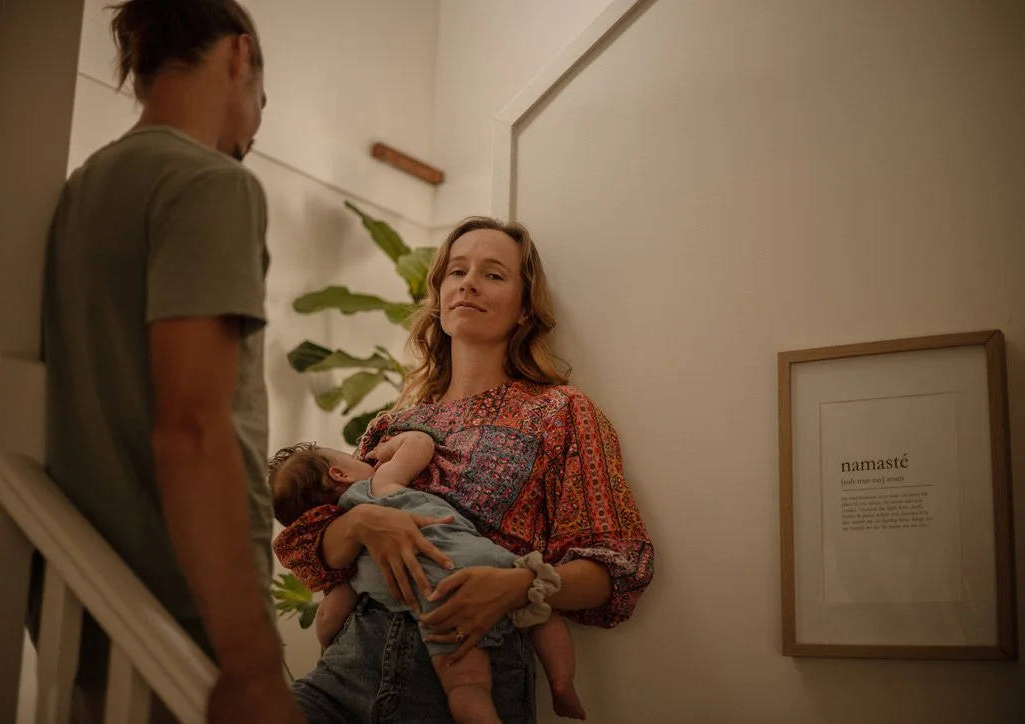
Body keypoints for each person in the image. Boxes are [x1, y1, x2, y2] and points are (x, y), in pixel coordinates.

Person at [274, 217, 655, 723]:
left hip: (471, 675)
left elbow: (617, 565)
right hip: (350, 669)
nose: (469, 282)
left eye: (493, 275)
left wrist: (520, 585)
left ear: (523, 309)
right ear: (439, 295)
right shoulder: (390, 425)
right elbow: (319, 554)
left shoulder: (561, 411)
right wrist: (363, 522)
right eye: (457, 271)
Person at [38, 1, 303, 722]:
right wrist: (251, 668)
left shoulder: (85, 186)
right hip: (190, 622)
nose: (254, 128)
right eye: (261, 104)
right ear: (239, 56)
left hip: (86, 606)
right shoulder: (212, 184)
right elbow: (189, 425)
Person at [268, 432, 586, 722]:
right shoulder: (377, 485)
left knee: (466, 687)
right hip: (483, 563)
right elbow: (420, 445)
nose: (363, 457)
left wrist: (325, 646)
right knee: (541, 608)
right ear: (340, 474)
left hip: (433, 609)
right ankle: (562, 680)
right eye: (352, 458)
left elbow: (329, 614)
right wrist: (388, 448)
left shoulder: (353, 553)